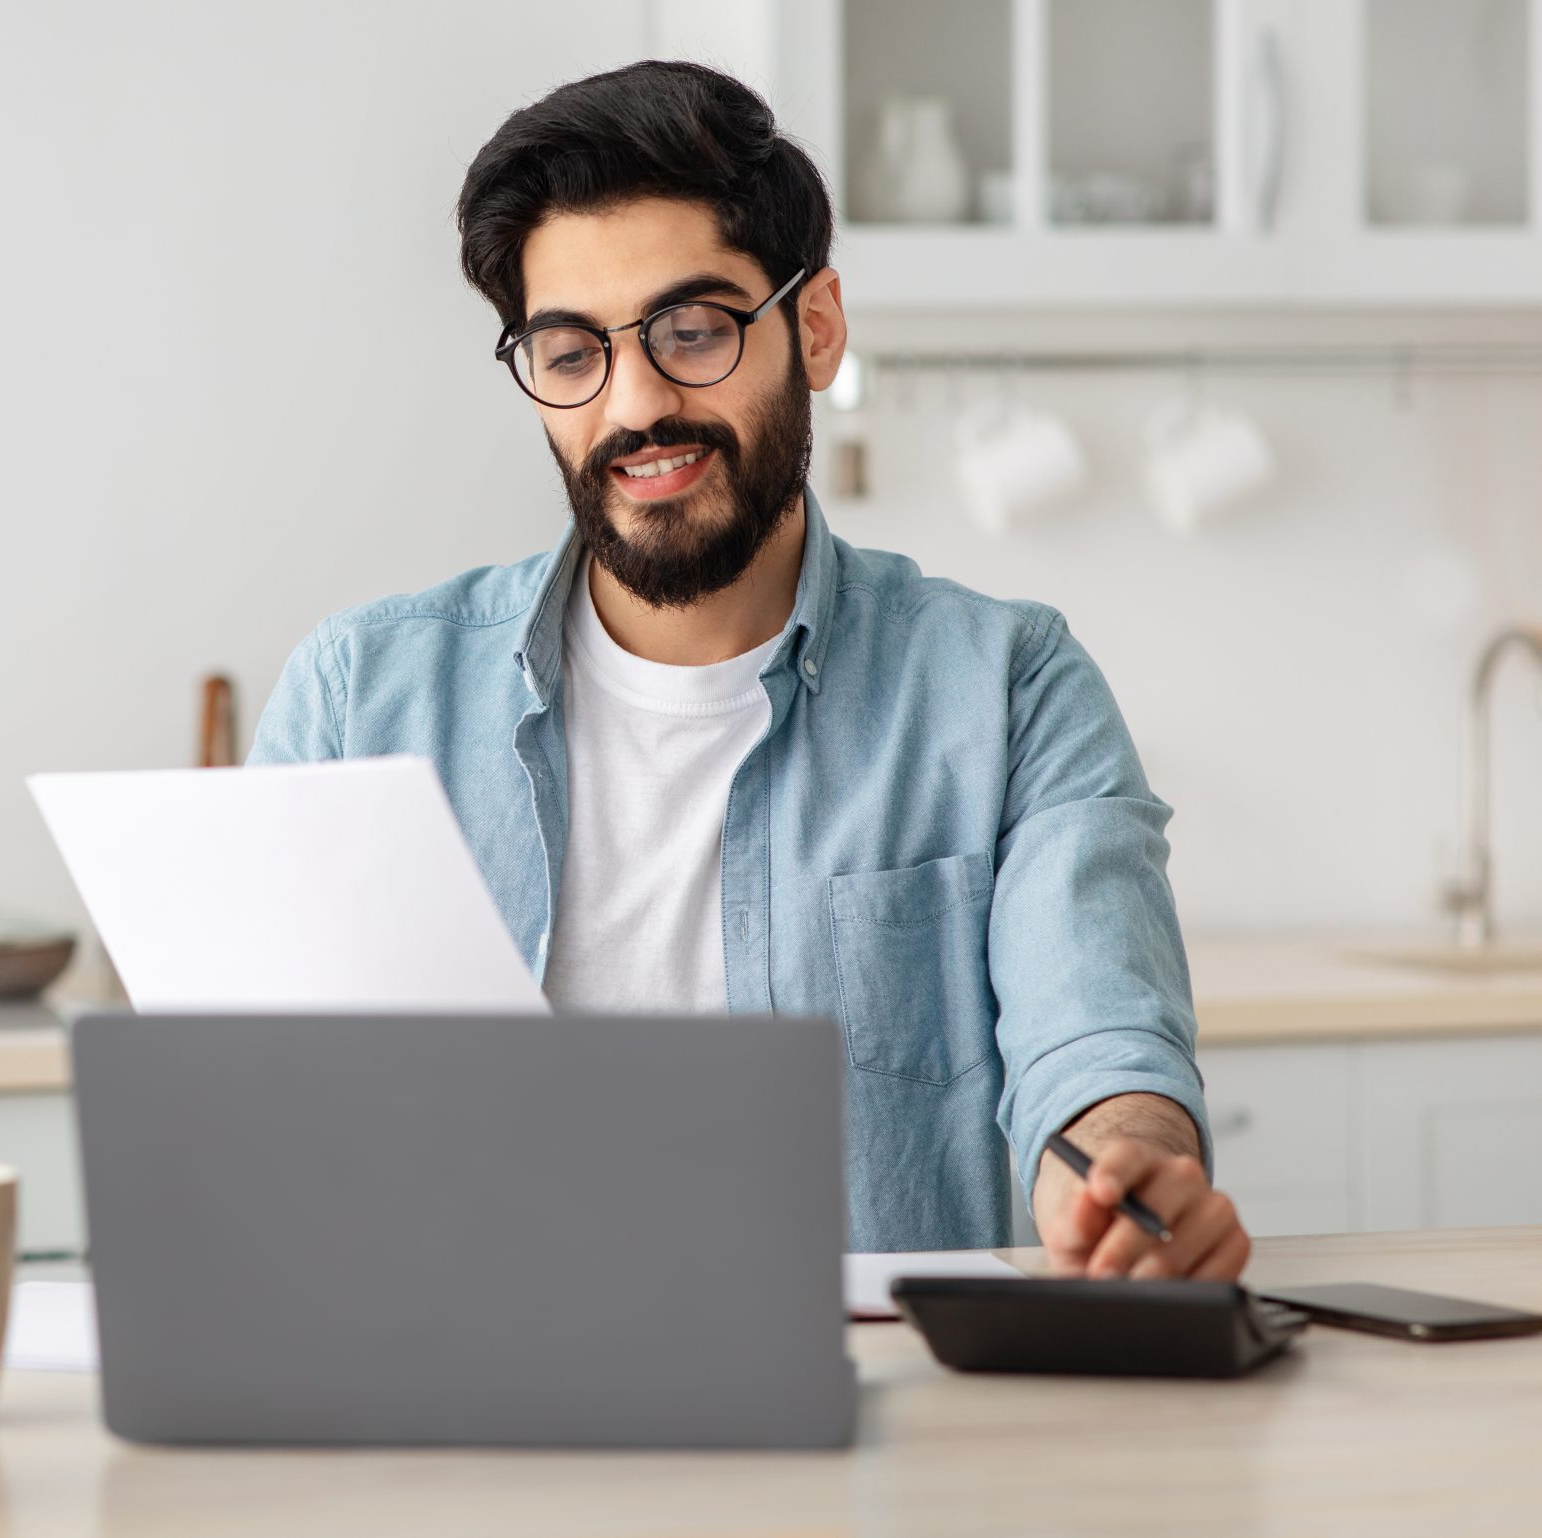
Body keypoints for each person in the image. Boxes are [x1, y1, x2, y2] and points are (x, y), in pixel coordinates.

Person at [248, 60, 1247, 1278]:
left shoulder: (1006, 686)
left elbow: (1096, 1047)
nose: (636, 404)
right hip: (460, 1412)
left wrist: (1127, 1173)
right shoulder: (359, 697)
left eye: (693, 331)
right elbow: (250, 1108)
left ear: (812, 327)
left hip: (859, 1422)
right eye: (571, 353)